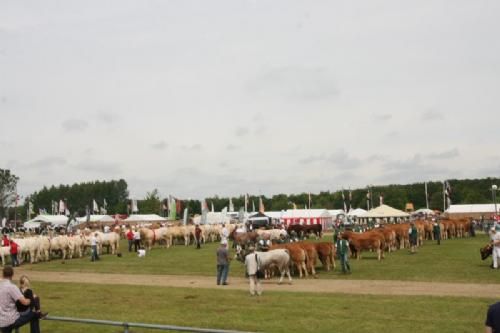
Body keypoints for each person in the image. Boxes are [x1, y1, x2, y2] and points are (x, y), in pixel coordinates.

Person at [0, 266, 40, 333]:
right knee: (35, 314)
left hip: (1, 321)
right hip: (11, 320)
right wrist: (31, 299)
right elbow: (24, 302)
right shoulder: (12, 287)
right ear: (12, 275)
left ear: (2, 274)